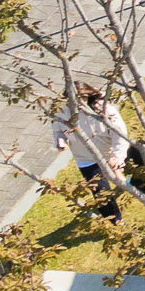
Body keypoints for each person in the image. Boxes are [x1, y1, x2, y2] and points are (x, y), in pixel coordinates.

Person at [51, 85, 131, 219]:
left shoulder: (104, 110)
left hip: (109, 153)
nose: (76, 104)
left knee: (128, 176)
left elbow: (120, 136)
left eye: (80, 99)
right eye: (71, 101)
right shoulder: (61, 113)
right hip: (86, 160)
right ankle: (116, 222)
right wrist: (60, 140)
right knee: (100, 192)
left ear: (87, 96)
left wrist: (117, 159)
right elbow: (57, 130)